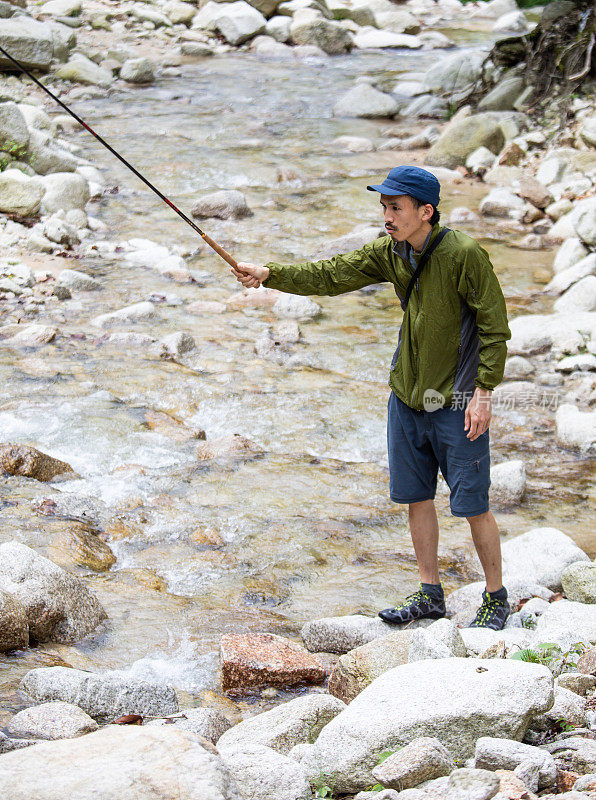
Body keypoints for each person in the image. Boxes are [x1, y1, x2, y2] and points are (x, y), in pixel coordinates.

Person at [231, 166, 512, 631]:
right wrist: (269, 274)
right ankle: (429, 594)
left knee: (473, 504)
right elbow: (332, 274)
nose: (386, 215)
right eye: (383, 206)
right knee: (415, 497)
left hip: (457, 400)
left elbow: (495, 328)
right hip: (406, 396)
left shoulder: (464, 254)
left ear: (426, 211)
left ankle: (496, 596)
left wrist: (483, 393)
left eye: (395, 207)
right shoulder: (391, 251)